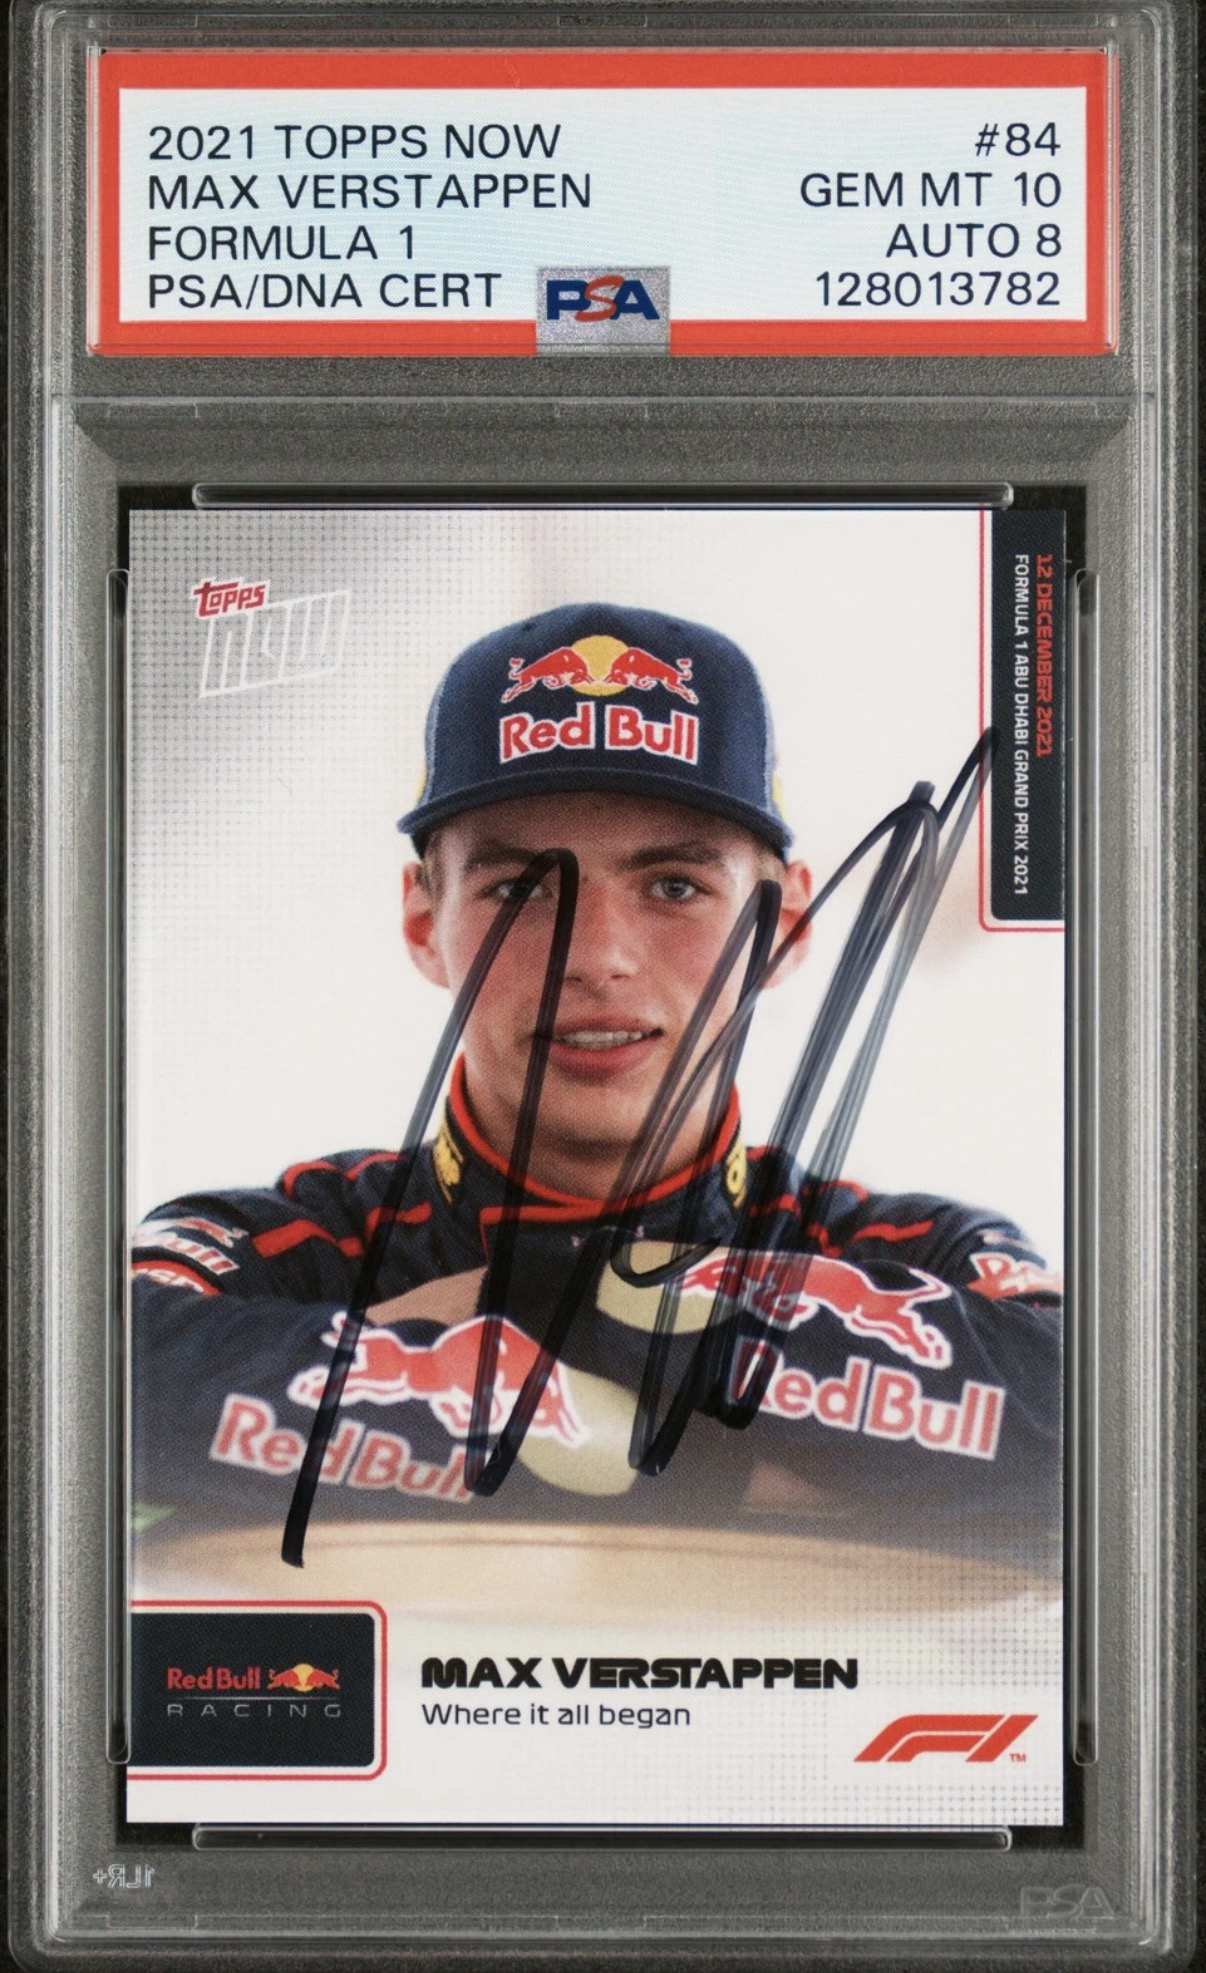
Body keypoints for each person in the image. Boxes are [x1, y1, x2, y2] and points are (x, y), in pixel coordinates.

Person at [132, 603, 1061, 1550]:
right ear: (423, 924)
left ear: (783, 928)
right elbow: (94, 1376)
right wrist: (747, 1456)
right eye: (520, 890)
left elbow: (1082, 1412)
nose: (598, 957)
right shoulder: (293, 1242)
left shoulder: (919, 1250)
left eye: (674, 887)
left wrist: (524, 1308)